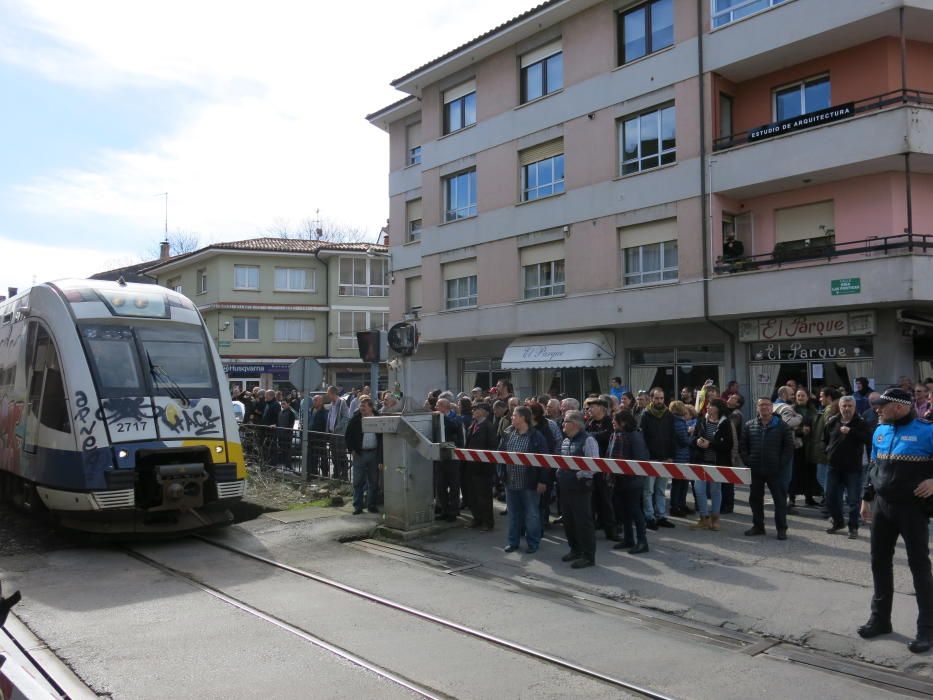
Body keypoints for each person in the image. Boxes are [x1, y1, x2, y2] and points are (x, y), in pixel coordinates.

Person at [858, 388, 933, 654]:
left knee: (919, 567)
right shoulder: (880, 431)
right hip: (882, 506)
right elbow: (874, 466)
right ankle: (880, 620)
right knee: (879, 562)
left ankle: (927, 629)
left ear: (900, 407)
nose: (877, 409)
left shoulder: (927, 430)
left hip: (912, 509)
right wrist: (866, 498)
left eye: (882, 405)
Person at [741, 397, 794, 540]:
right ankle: (758, 526)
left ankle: (781, 529)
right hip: (756, 470)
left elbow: (789, 447)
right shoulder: (749, 425)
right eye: (761, 405)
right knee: (755, 499)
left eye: (767, 405)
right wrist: (748, 461)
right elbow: (743, 446)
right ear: (757, 408)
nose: (764, 407)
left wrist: (780, 464)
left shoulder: (782, 426)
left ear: (772, 408)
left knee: (780, 501)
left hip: (775, 471)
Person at [499, 406, 548, 554]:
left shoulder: (536, 437)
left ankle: (533, 543)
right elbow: (500, 455)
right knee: (514, 514)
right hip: (511, 482)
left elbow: (545, 461)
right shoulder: (508, 434)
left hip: (529, 483)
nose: (511, 418)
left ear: (523, 418)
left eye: (514, 415)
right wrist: (501, 474)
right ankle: (513, 542)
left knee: (532, 514)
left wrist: (543, 481)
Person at [823, 395, 870, 538]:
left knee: (853, 500)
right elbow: (825, 439)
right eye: (844, 406)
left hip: (852, 468)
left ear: (854, 407)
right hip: (833, 466)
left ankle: (853, 527)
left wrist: (851, 432)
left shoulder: (860, 422)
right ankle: (838, 522)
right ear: (840, 407)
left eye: (850, 406)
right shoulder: (832, 421)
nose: (847, 409)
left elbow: (868, 439)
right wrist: (828, 451)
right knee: (829, 496)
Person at [557, 411, 599, 568]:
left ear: (575, 424)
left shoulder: (588, 440)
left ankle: (588, 556)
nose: (562, 424)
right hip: (566, 488)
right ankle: (575, 549)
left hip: (580, 489)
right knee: (569, 521)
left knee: (583, 522)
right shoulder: (566, 440)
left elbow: (594, 467)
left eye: (565, 421)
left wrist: (577, 475)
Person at [609, 409, 650, 554]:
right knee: (625, 511)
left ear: (624, 422)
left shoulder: (633, 436)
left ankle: (642, 541)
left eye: (615, 419)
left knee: (635, 511)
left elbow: (640, 460)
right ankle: (628, 539)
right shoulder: (619, 435)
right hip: (621, 480)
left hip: (632, 480)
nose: (612, 421)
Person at [691, 399, 733, 531]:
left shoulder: (725, 423)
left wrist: (710, 444)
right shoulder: (702, 420)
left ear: (718, 408)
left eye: (711, 405)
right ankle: (704, 518)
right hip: (701, 461)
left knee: (715, 490)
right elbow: (694, 437)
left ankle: (715, 519)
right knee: (699, 489)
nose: (708, 407)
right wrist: (697, 440)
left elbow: (728, 445)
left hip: (717, 462)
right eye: (708, 405)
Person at [640, 387, 677, 529]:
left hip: (665, 458)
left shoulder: (669, 414)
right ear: (651, 399)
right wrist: (647, 457)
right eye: (656, 398)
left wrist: (670, 456)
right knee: (648, 490)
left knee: (661, 490)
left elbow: (672, 436)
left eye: (661, 398)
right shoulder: (646, 414)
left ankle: (661, 515)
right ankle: (649, 517)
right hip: (651, 458)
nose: (659, 401)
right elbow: (643, 438)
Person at [584, 399, 618, 541]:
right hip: (591, 467)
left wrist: (592, 436)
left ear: (602, 408)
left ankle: (611, 531)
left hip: (605, 467)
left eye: (593, 406)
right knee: (592, 501)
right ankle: (592, 529)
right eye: (589, 406)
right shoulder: (589, 423)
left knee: (606, 500)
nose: (589, 409)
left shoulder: (609, 422)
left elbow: (608, 436)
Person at [344, 397, 382, 514]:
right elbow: (348, 435)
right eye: (361, 406)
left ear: (370, 408)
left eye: (364, 407)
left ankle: (371, 505)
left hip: (374, 453)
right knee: (358, 481)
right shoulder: (355, 419)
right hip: (360, 454)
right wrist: (352, 449)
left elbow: (382, 438)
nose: (361, 409)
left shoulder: (379, 419)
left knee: (373, 481)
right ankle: (358, 506)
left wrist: (381, 457)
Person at [465, 402, 498, 531]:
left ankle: (488, 522)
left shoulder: (489, 427)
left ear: (484, 412)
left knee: (484, 496)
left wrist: (485, 462)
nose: (473, 411)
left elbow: (492, 446)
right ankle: (477, 518)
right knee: (472, 494)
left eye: (476, 409)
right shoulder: (473, 425)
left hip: (483, 468)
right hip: (471, 466)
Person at [809, 387, 841, 512]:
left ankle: (830, 503)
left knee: (823, 478)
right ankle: (830, 501)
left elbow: (826, 431)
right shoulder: (828, 409)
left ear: (829, 397)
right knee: (824, 478)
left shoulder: (829, 410)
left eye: (822, 396)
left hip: (824, 450)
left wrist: (824, 446)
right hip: (823, 449)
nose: (819, 398)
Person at [434, 397, 465, 522]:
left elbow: (454, 427)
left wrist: (443, 417)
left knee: (453, 485)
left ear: (444, 407)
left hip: (453, 456)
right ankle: (444, 510)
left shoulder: (456, 418)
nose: (436, 408)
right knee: (440, 485)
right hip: (440, 456)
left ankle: (454, 511)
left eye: (438, 405)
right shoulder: (436, 418)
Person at [789, 388, 818, 509]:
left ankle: (809, 497)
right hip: (796, 446)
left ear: (807, 397)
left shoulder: (813, 410)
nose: (800, 398)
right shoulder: (791, 409)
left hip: (810, 445)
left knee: (810, 472)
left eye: (803, 395)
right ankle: (791, 498)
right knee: (794, 472)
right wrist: (800, 431)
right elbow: (788, 425)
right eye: (798, 396)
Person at [668, 400, 693, 517]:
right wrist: (692, 436)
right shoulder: (679, 422)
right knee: (679, 483)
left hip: (678, 455)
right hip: (681, 456)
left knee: (680, 483)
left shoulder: (673, 421)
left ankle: (680, 505)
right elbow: (684, 441)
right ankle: (676, 506)